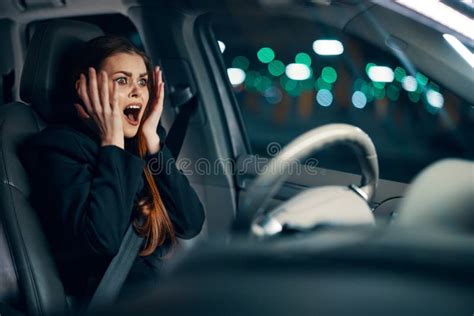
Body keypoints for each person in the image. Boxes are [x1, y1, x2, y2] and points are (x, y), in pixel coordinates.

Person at [23, 35, 205, 299]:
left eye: (142, 81)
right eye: (122, 80)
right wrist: (112, 142)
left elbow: (191, 223)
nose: (136, 91)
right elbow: (102, 240)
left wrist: (153, 142)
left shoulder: (142, 145)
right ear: (85, 89)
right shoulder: (57, 148)